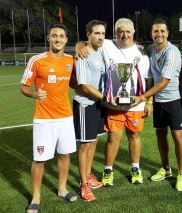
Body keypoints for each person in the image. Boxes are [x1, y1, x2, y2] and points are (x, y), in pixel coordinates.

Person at [76, 18, 152, 186]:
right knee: (113, 138)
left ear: (133, 33)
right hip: (113, 104)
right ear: (116, 34)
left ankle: (135, 168)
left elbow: (148, 81)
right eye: (120, 32)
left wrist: (149, 102)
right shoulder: (108, 45)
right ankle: (108, 170)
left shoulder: (142, 53)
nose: (124, 35)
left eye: (127, 32)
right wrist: (79, 47)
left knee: (134, 135)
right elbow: (89, 41)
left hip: (135, 104)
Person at [20, 23, 77, 213]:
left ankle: (62, 189)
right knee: (39, 159)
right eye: (54, 36)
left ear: (66, 40)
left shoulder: (71, 60)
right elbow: (24, 86)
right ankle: (36, 196)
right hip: (44, 118)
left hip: (66, 117)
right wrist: (35, 94)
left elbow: (75, 82)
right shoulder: (37, 60)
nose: (58, 39)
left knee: (65, 154)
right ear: (48, 38)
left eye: (61, 36)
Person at [132, 18, 182, 191]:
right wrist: (81, 46)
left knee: (178, 137)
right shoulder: (150, 50)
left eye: (162, 31)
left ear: (167, 33)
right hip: (158, 102)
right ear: (151, 34)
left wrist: (143, 98)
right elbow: (135, 47)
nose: (159, 34)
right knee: (160, 135)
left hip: (173, 101)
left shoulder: (172, 51)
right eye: (156, 31)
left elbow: (164, 82)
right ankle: (166, 168)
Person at [71, 20, 107, 202]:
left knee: (93, 142)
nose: (100, 36)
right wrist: (105, 98)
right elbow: (84, 86)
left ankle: (88, 175)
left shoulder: (100, 51)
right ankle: (83, 184)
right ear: (88, 35)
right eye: (97, 33)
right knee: (85, 145)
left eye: (103, 33)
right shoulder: (83, 55)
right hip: (85, 104)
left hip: (98, 104)